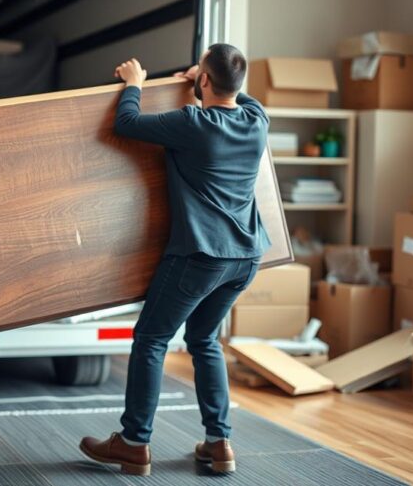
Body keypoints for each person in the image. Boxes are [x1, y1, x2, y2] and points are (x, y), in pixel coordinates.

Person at [79, 45, 270, 477]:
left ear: (204, 80)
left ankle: (133, 444)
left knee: (151, 339)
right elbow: (237, 93)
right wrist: (204, 79)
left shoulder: (193, 123)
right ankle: (219, 443)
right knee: (203, 339)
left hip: (201, 255)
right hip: (245, 257)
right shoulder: (256, 120)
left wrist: (134, 84)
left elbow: (126, 123)